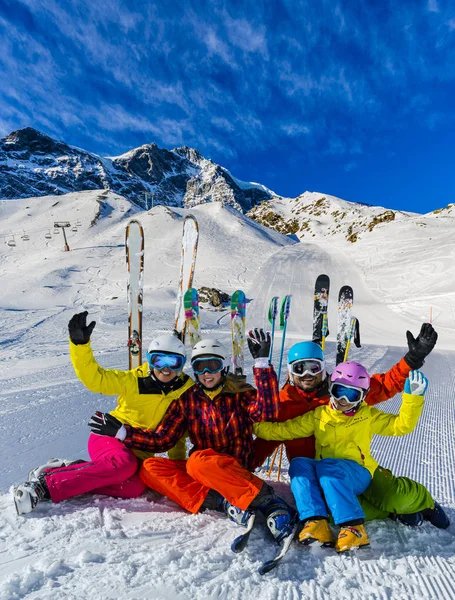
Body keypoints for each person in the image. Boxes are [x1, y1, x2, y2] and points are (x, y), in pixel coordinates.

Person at [87, 331, 297, 544]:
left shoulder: (240, 393)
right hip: (202, 472)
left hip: (233, 467)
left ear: (223, 367)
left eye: (213, 366)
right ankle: (223, 502)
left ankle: (269, 501)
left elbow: (266, 412)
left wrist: (261, 364)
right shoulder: (187, 400)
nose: (206, 373)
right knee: (150, 467)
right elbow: (163, 440)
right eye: (199, 367)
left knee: (197, 462)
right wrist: (122, 432)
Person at [253, 323, 449, 530]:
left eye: (314, 367)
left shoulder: (343, 390)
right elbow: (270, 436)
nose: (307, 374)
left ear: (323, 368)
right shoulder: (282, 404)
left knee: (391, 496)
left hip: (356, 467)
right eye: (299, 368)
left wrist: (412, 360)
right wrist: (241, 468)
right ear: (290, 372)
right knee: (329, 511)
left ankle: (423, 503)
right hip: (318, 478)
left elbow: (384, 385)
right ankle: (390, 511)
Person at [13, 311, 194, 515]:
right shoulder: (135, 380)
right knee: (124, 465)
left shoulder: (186, 391)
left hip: (140, 448)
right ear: (151, 362)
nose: (166, 369)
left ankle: (73, 469)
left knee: (135, 487)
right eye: (159, 361)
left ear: (181, 365)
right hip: (108, 435)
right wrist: (80, 346)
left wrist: (178, 463)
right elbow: (96, 379)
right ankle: (45, 484)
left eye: (174, 362)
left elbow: (178, 433)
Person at [254, 363, 429, 552]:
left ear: (362, 396)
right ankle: (315, 522)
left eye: (352, 394)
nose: (343, 400)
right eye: (339, 391)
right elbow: (285, 430)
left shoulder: (367, 416)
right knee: (299, 464)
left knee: (328, 466)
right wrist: (252, 424)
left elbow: (400, 425)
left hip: (358, 473)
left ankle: (354, 528)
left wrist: (413, 399)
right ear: (331, 388)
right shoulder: (319, 415)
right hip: (327, 473)